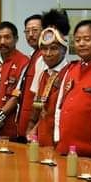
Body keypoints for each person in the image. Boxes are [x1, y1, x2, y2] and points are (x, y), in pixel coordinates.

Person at [54, 20, 91, 157]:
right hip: (65, 147)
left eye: (87, 39)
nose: (81, 43)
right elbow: (59, 106)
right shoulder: (71, 68)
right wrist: (57, 136)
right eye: (77, 40)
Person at [27, 9, 70, 147]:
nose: (48, 53)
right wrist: (31, 125)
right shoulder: (41, 64)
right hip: (41, 131)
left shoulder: (69, 71)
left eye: (53, 48)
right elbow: (37, 99)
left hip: (58, 133)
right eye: (44, 49)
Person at [16, 14, 43, 142]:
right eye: (27, 31)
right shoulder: (33, 55)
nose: (30, 34)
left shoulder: (45, 57)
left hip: (34, 126)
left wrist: (33, 125)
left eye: (35, 30)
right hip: (24, 121)